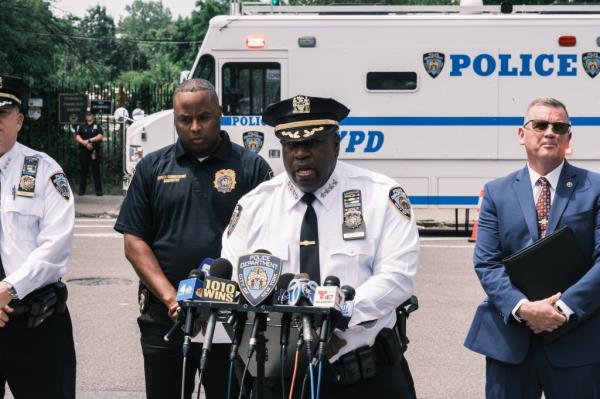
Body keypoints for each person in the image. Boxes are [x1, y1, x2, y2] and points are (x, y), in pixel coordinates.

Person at [221, 94, 419, 399]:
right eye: (291, 145)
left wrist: (336, 317)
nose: (301, 154)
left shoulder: (380, 196)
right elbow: (236, 280)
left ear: (336, 145)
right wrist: (295, 331)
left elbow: (398, 277)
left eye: (312, 143)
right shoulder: (255, 206)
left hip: (364, 378)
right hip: (281, 377)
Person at [114, 79, 272, 399]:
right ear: (174, 119)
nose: (195, 127)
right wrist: (173, 300)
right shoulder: (151, 167)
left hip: (232, 320)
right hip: (165, 318)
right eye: (185, 120)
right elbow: (134, 241)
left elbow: (269, 243)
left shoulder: (252, 168)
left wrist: (232, 298)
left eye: (204, 117)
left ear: (221, 114)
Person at [464, 98, 600, 398]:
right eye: (540, 125)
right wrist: (523, 308)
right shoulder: (496, 192)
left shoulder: (596, 188)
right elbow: (487, 263)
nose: (550, 132)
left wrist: (562, 309)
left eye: (559, 127)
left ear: (568, 137)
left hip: (578, 339)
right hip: (510, 341)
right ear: (521, 134)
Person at [0, 75, 76, 398]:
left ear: (18, 120)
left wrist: (8, 288)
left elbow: (55, 247)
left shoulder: (44, 171)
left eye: (1, 114)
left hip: (33, 323)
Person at [75, 110, 103, 196]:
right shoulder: (82, 126)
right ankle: (81, 191)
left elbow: (100, 136)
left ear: (93, 116)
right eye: (87, 115)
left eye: (90, 115)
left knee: (96, 170)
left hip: (94, 151)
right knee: (83, 170)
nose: (88, 116)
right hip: (84, 150)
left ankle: (99, 191)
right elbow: (77, 136)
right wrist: (85, 143)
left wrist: (90, 140)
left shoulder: (97, 126)